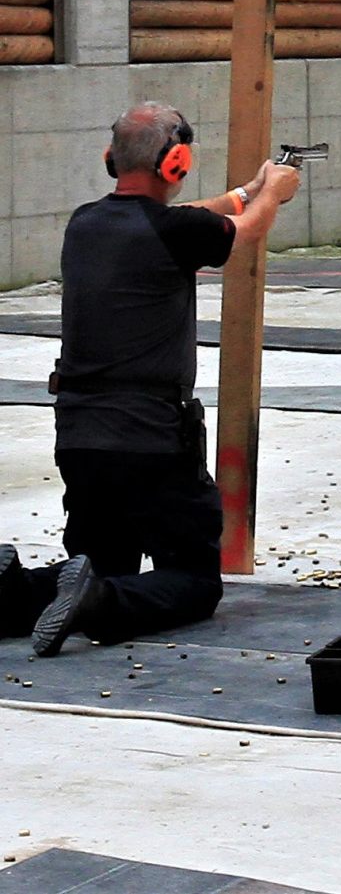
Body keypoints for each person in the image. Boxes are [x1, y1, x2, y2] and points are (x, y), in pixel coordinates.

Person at [0, 101, 301, 657]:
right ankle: (98, 608)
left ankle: (10, 593)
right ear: (177, 162)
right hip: (152, 440)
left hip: (81, 438)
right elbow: (244, 232)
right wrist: (270, 195)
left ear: (111, 159)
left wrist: (244, 191)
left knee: (100, 564)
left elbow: (191, 221)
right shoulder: (174, 229)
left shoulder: (86, 223)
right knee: (192, 581)